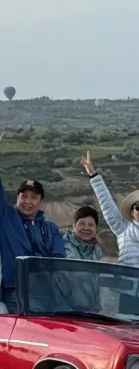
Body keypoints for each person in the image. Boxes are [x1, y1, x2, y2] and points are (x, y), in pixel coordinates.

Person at [0, 133, 65, 313]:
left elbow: (59, 259)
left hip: (46, 293)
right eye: (24, 196)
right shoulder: (7, 218)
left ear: (41, 202)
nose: (28, 201)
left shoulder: (51, 229)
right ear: (17, 198)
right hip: (16, 291)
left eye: (33, 197)